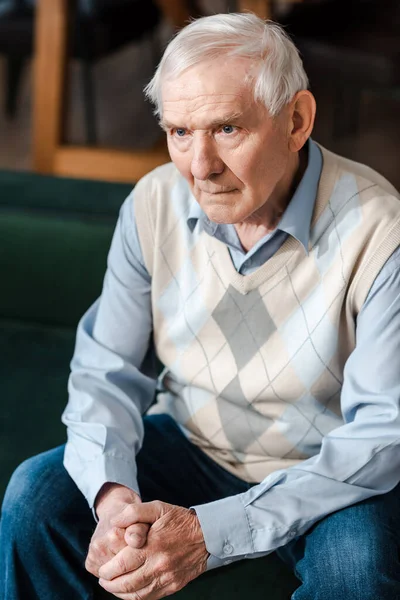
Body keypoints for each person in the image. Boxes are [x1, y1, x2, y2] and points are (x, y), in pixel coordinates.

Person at [1, 11, 400, 600]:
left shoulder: (381, 231)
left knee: (357, 573)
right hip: (194, 439)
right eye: (180, 132)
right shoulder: (152, 204)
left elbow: (383, 434)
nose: (200, 166)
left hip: (325, 471)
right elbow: (105, 372)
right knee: (34, 497)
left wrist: (211, 533)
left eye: (228, 129)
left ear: (297, 121)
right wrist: (113, 500)